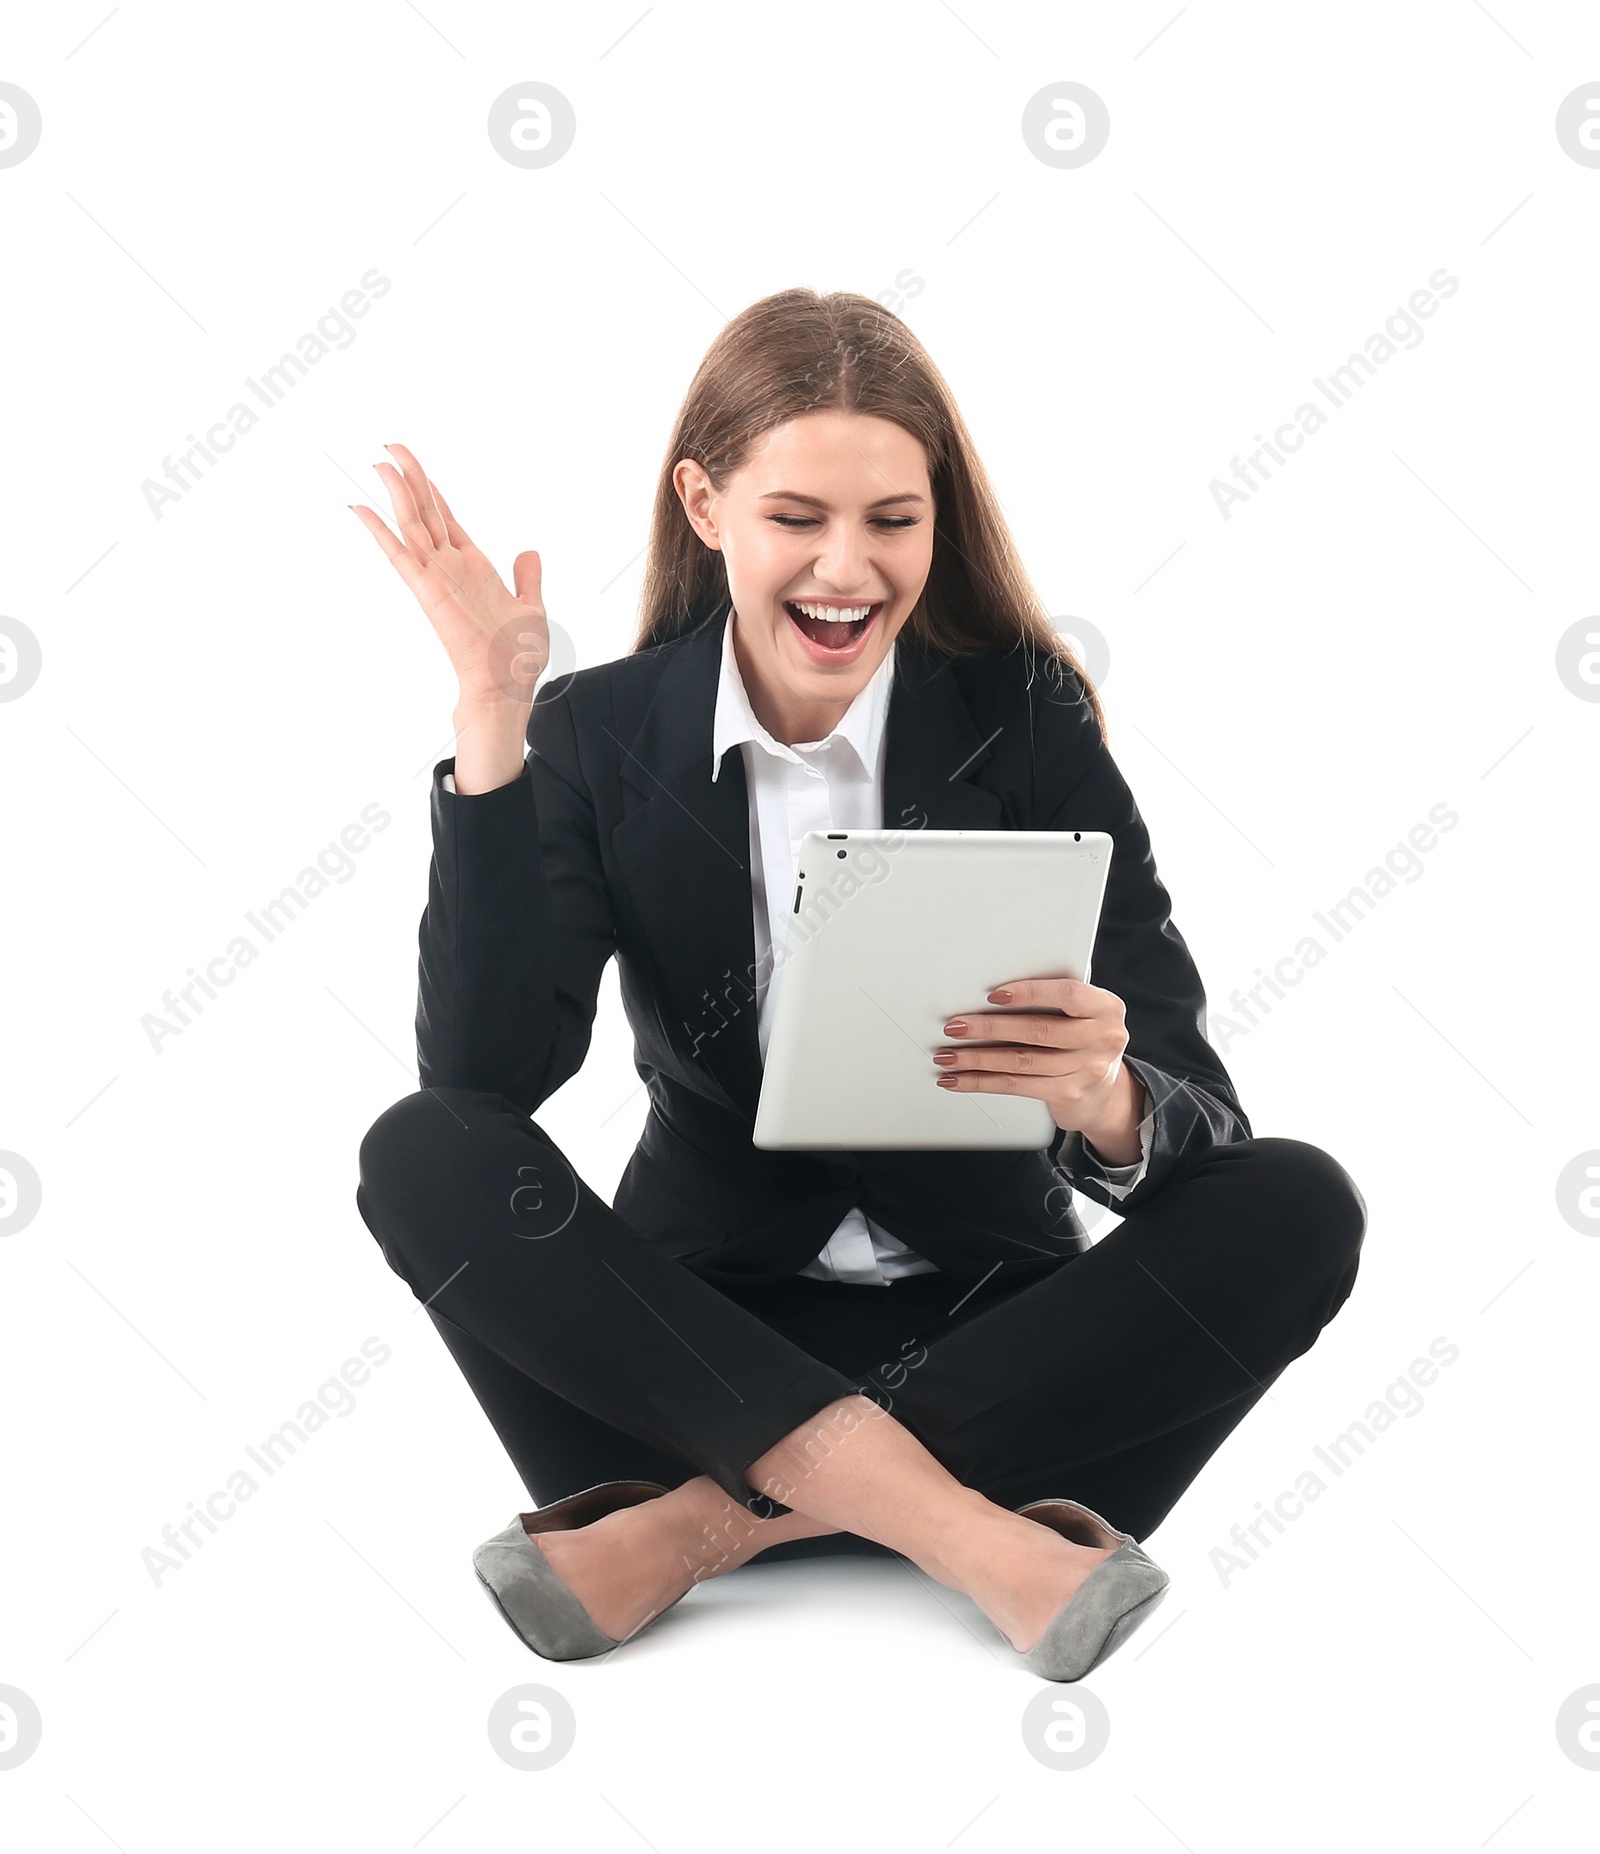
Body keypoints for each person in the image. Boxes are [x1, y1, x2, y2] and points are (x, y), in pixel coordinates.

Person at [349, 288, 1366, 1675]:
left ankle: (701, 1536)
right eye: (797, 518)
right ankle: (969, 1537)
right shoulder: (597, 734)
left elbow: (1205, 1123)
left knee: (1299, 1202)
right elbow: (486, 1086)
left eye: (893, 519)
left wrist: (1105, 1093)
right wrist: (490, 728)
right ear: (706, 505)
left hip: (1006, 1351)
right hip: (688, 1358)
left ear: (937, 517)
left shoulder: (1022, 715)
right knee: (418, 1150)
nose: (849, 567)